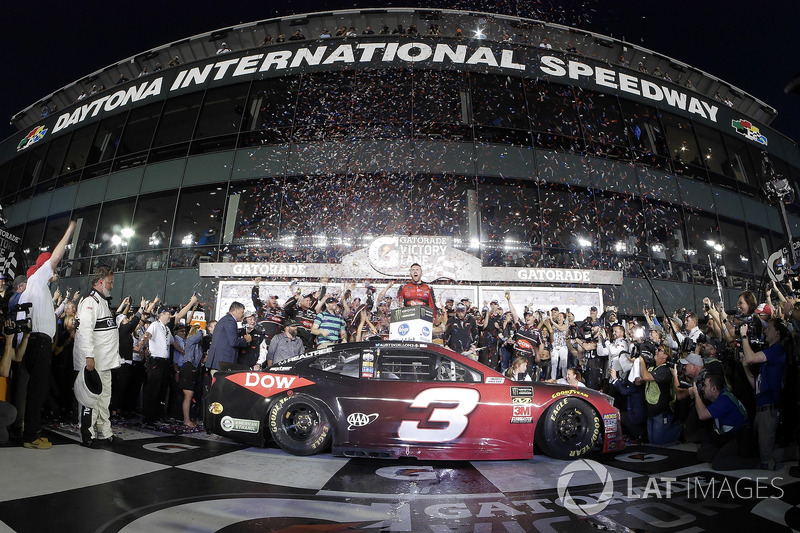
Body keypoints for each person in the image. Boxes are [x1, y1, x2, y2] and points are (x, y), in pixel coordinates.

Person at [19, 220, 75, 449]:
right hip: (40, 343)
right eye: (54, 269)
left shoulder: (32, 291)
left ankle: (29, 430)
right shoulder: (39, 279)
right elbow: (54, 257)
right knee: (37, 390)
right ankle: (31, 436)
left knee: (33, 390)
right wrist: (69, 231)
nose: (55, 273)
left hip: (33, 343)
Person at [73, 267, 121, 448]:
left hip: (106, 361)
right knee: (90, 399)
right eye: (110, 282)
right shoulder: (89, 302)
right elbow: (85, 331)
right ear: (101, 281)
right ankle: (87, 435)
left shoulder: (103, 302)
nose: (111, 286)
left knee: (104, 399)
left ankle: (104, 432)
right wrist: (89, 357)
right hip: (94, 361)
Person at [740, 319, 788, 470]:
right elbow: (756, 385)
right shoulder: (769, 355)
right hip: (761, 407)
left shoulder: (776, 350)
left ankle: (792, 453)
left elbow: (751, 357)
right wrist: (745, 367)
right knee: (760, 452)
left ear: (777, 334)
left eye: (769, 329)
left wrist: (744, 337)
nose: (765, 331)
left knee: (765, 459)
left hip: (769, 408)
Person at [691, 373, 751, 470]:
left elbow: (702, 415)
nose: (702, 389)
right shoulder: (720, 398)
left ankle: (755, 463)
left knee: (718, 464)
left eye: (705, 386)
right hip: (728, 436)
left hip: (739, 438)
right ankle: (725, 455)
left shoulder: (724, 399)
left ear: (714, 389)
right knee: (703, 453)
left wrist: (696, 394)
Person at [638, 344, 681, 445]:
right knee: (652, 440)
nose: (656, 351)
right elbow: (639, 380)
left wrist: (642, 360)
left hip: (662, 411)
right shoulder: (653, 368)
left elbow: (646, 377)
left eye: (659, 350)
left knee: (658, 441)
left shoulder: (665, 370)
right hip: (651, 410)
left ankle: (680, 428)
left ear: (665, 355)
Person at [205, 302, 250, 371]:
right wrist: (245, 340)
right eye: (242, 312)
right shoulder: (230, 321)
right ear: (236, 310)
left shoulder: (225, 319)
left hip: (220, 362)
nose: (243, 315)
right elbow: (233, 342)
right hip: (222, 363)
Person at [179, 324, 204, 427]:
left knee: (192, 395)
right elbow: (199, 335)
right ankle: (186, 420)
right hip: (188, 369)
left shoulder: (198, 346)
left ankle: (190, 417)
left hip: (194, 369)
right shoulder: (190, 341)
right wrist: (200, 329)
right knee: (188, 396)